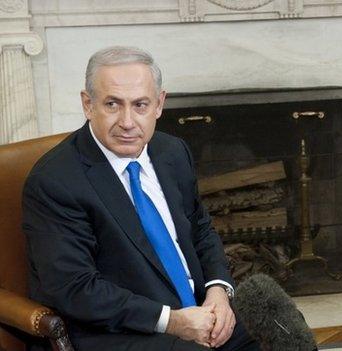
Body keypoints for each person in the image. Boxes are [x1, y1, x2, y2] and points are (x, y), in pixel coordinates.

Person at [23, 46, 260, 351]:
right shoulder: (55, 181)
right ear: (87, 104)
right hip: (117, 330)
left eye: (140, 105)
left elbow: (200, 228)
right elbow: (75, 288)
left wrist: (218, 293)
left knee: (279, 327)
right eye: (112, 104)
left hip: (196, 311)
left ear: (159, 104)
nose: (127, 121)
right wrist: (172, 321)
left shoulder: (172, 152)